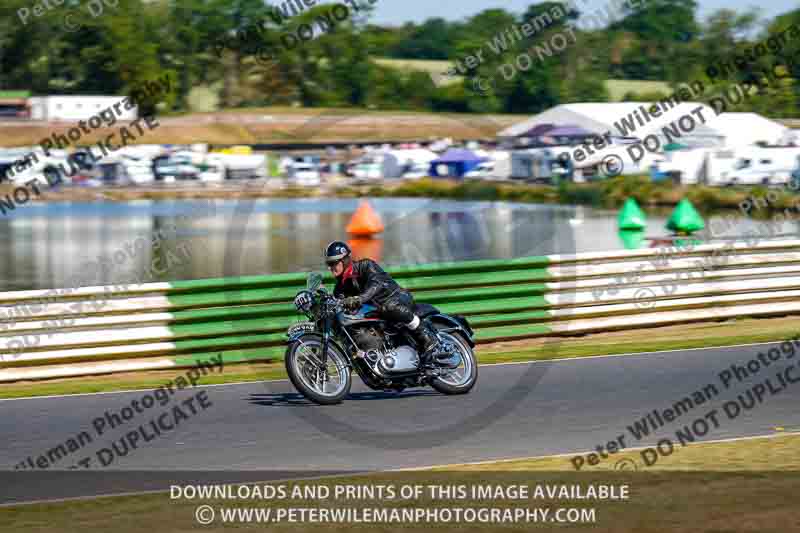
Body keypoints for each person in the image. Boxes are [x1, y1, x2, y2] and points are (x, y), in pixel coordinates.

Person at [324, 241, 455, 368]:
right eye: (328, 264)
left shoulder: (365, 265)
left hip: (397, 298)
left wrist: (360, 298)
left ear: (345, 259)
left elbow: (377, 283)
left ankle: (427, 338)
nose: (330, 267)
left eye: (333, 263)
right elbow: (339, 303)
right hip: (378, 313)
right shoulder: (339, 288)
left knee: (389, 306)